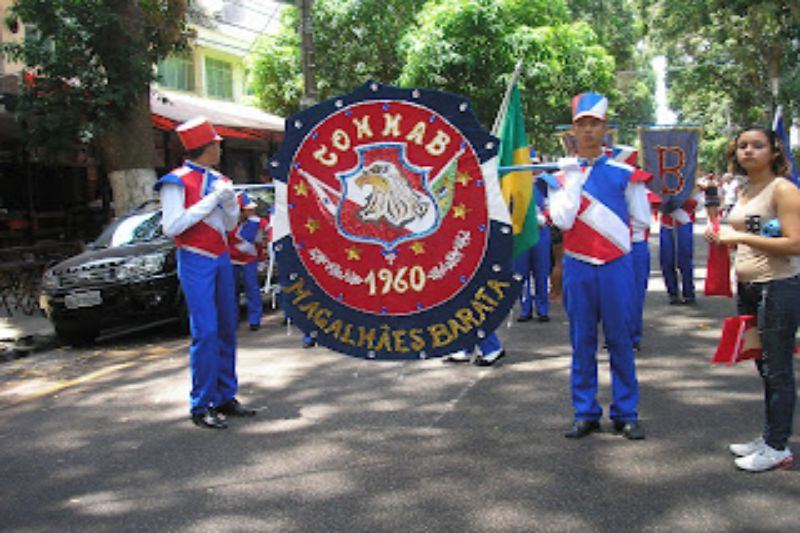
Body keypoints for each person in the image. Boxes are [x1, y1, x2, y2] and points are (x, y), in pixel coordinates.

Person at [546, 92, 650, 440]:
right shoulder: (560, 174)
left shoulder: (625, 173)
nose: (588, 131)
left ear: (605, 129)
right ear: (573, 130)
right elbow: (561, 219)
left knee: (620, 339)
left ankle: (626, 412)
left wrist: (631, 266)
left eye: (594, 124)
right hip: (578, 265)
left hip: (618, 264)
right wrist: (572, 176)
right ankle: (585, 412)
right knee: (582, 341)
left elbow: (640, 221)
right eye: (581, 124)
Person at [704, 126, 800, 472]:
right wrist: (721, 236)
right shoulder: (745, 190)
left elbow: (795, 243)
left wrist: (738, 235)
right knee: (763, 366)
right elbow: (741, 234)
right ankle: (770, 435)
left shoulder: (783, 190)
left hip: (778, 286)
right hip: (750, 288)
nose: (748, 151)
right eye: (743, 145)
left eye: (757, 145)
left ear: (774, 151)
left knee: (778, 369)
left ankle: (778, 447)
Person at [155, 116, 256, 429]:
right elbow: (172, 226)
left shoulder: (219, 179)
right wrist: (212, 199)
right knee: (206, 331)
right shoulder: (176, 181)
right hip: (195, 257)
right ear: (206, 147)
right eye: (216, 144)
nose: (220, 149)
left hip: (222, 256)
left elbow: (227, 227)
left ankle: (226, 395)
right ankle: (201, 404)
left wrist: (230, 207)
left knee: (227, 327)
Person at [515, 150, 552, 323]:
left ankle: (542, 308)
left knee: (541, 271)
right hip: (521, 233)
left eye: (534, 164)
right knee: (521, 273)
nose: (531, 168)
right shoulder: (513, 185)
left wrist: (545, 216)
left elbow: (555, 203)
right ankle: (525, 308)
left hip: (541, 232)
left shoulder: (545, 183)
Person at [229, 192, 269, 331]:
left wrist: (261, 260)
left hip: (249, 260)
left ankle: (254, 319)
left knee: (252, 289)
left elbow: (259, 242)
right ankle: (231, 320)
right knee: (230, 291)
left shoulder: (256, 223)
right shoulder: (227, 223)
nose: (252, 211)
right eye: (248, 209)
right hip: (231, 261)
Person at [659, 189, 702, 305]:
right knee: (667, 260)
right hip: (666, 224)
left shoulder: (691, 186)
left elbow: (698, 206)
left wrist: (685, 198)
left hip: (683, 223)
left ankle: (688, 293)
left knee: (685, 260)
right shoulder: (662, 184)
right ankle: (672, 293)